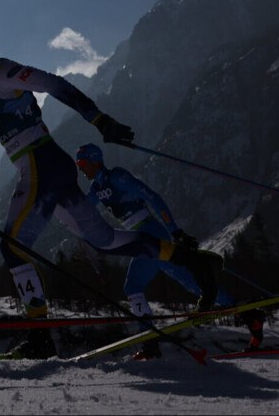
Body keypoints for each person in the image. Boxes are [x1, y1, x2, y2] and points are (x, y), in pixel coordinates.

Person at [0, 21, 223, 360]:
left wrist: (99, 120)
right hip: (47, 166)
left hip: (42, 166)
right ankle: (195, 263)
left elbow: (53, 84)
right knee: (107, 241)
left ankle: (39, 340)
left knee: (12, 249)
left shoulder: (0, 71)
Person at [74, 142, 260, 359]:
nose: (81, 168)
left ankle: (150, 345)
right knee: (186, 280)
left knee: (134, 286)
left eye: (83, 163)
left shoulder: (117, 177)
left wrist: (175, 230)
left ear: (96, 160)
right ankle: (249, 315)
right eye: (78, 164)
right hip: (141, 237)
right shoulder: (96, 189)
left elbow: (152, 197)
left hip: (151, 234)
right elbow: (81, 211)